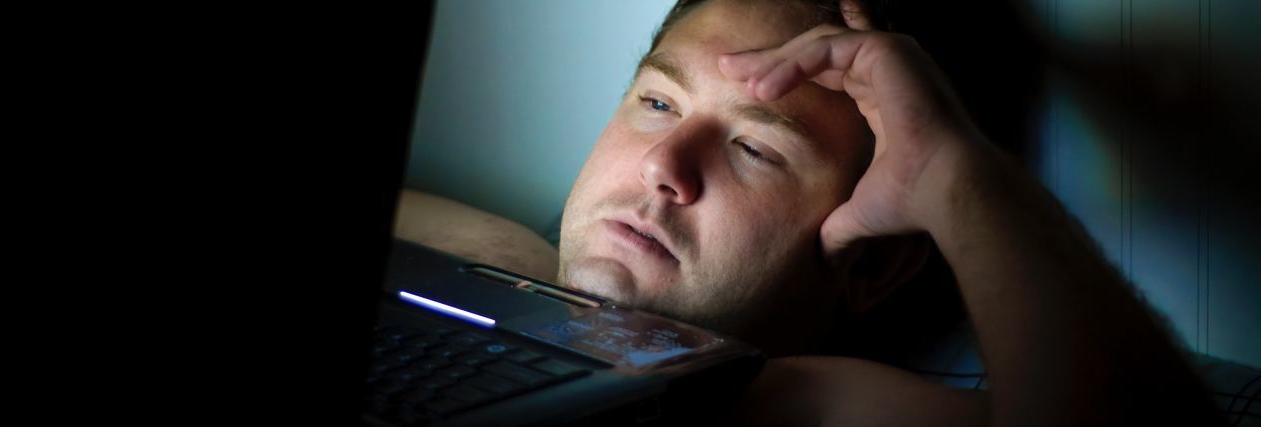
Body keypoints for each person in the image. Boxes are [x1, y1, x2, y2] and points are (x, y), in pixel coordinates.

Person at [398, 0, 1222, 424]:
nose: (663, 166)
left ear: (869, 264)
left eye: (756, 148)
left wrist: (953, 171)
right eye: (656, 100)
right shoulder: (494, 260)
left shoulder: (794, 404)